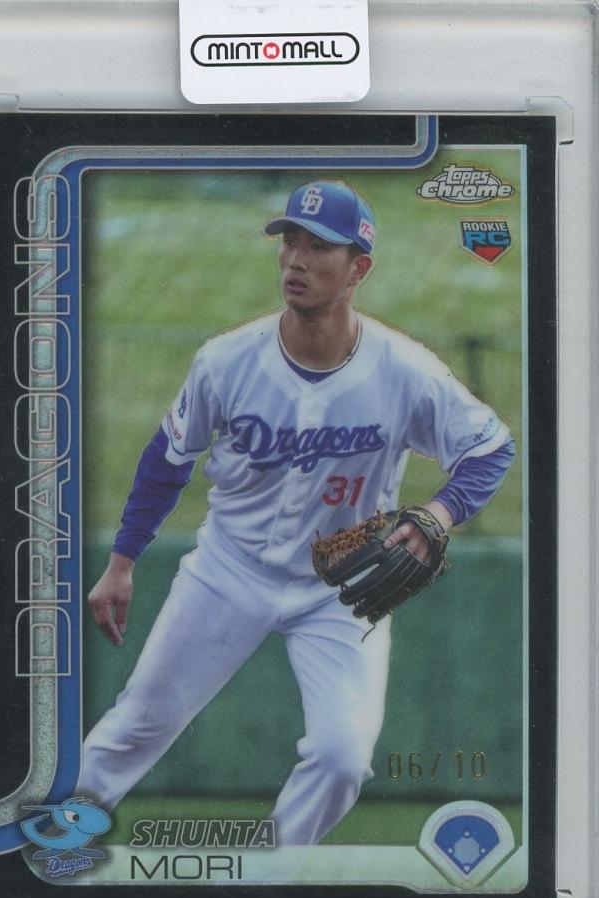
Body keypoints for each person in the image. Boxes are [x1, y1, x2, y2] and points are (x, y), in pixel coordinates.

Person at [78, 180, 515, 845]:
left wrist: (441, 512)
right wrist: (122, 562)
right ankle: (45, 852)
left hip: (342, 590)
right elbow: (167, 459)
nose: (296, 260)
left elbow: (491, 447)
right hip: (228, 572)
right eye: (290, 241)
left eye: (319, 247)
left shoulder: (405, 370)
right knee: (136, 725)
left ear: (359, 268)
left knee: (342, 760)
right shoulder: (226, 361)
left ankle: (275, 875)